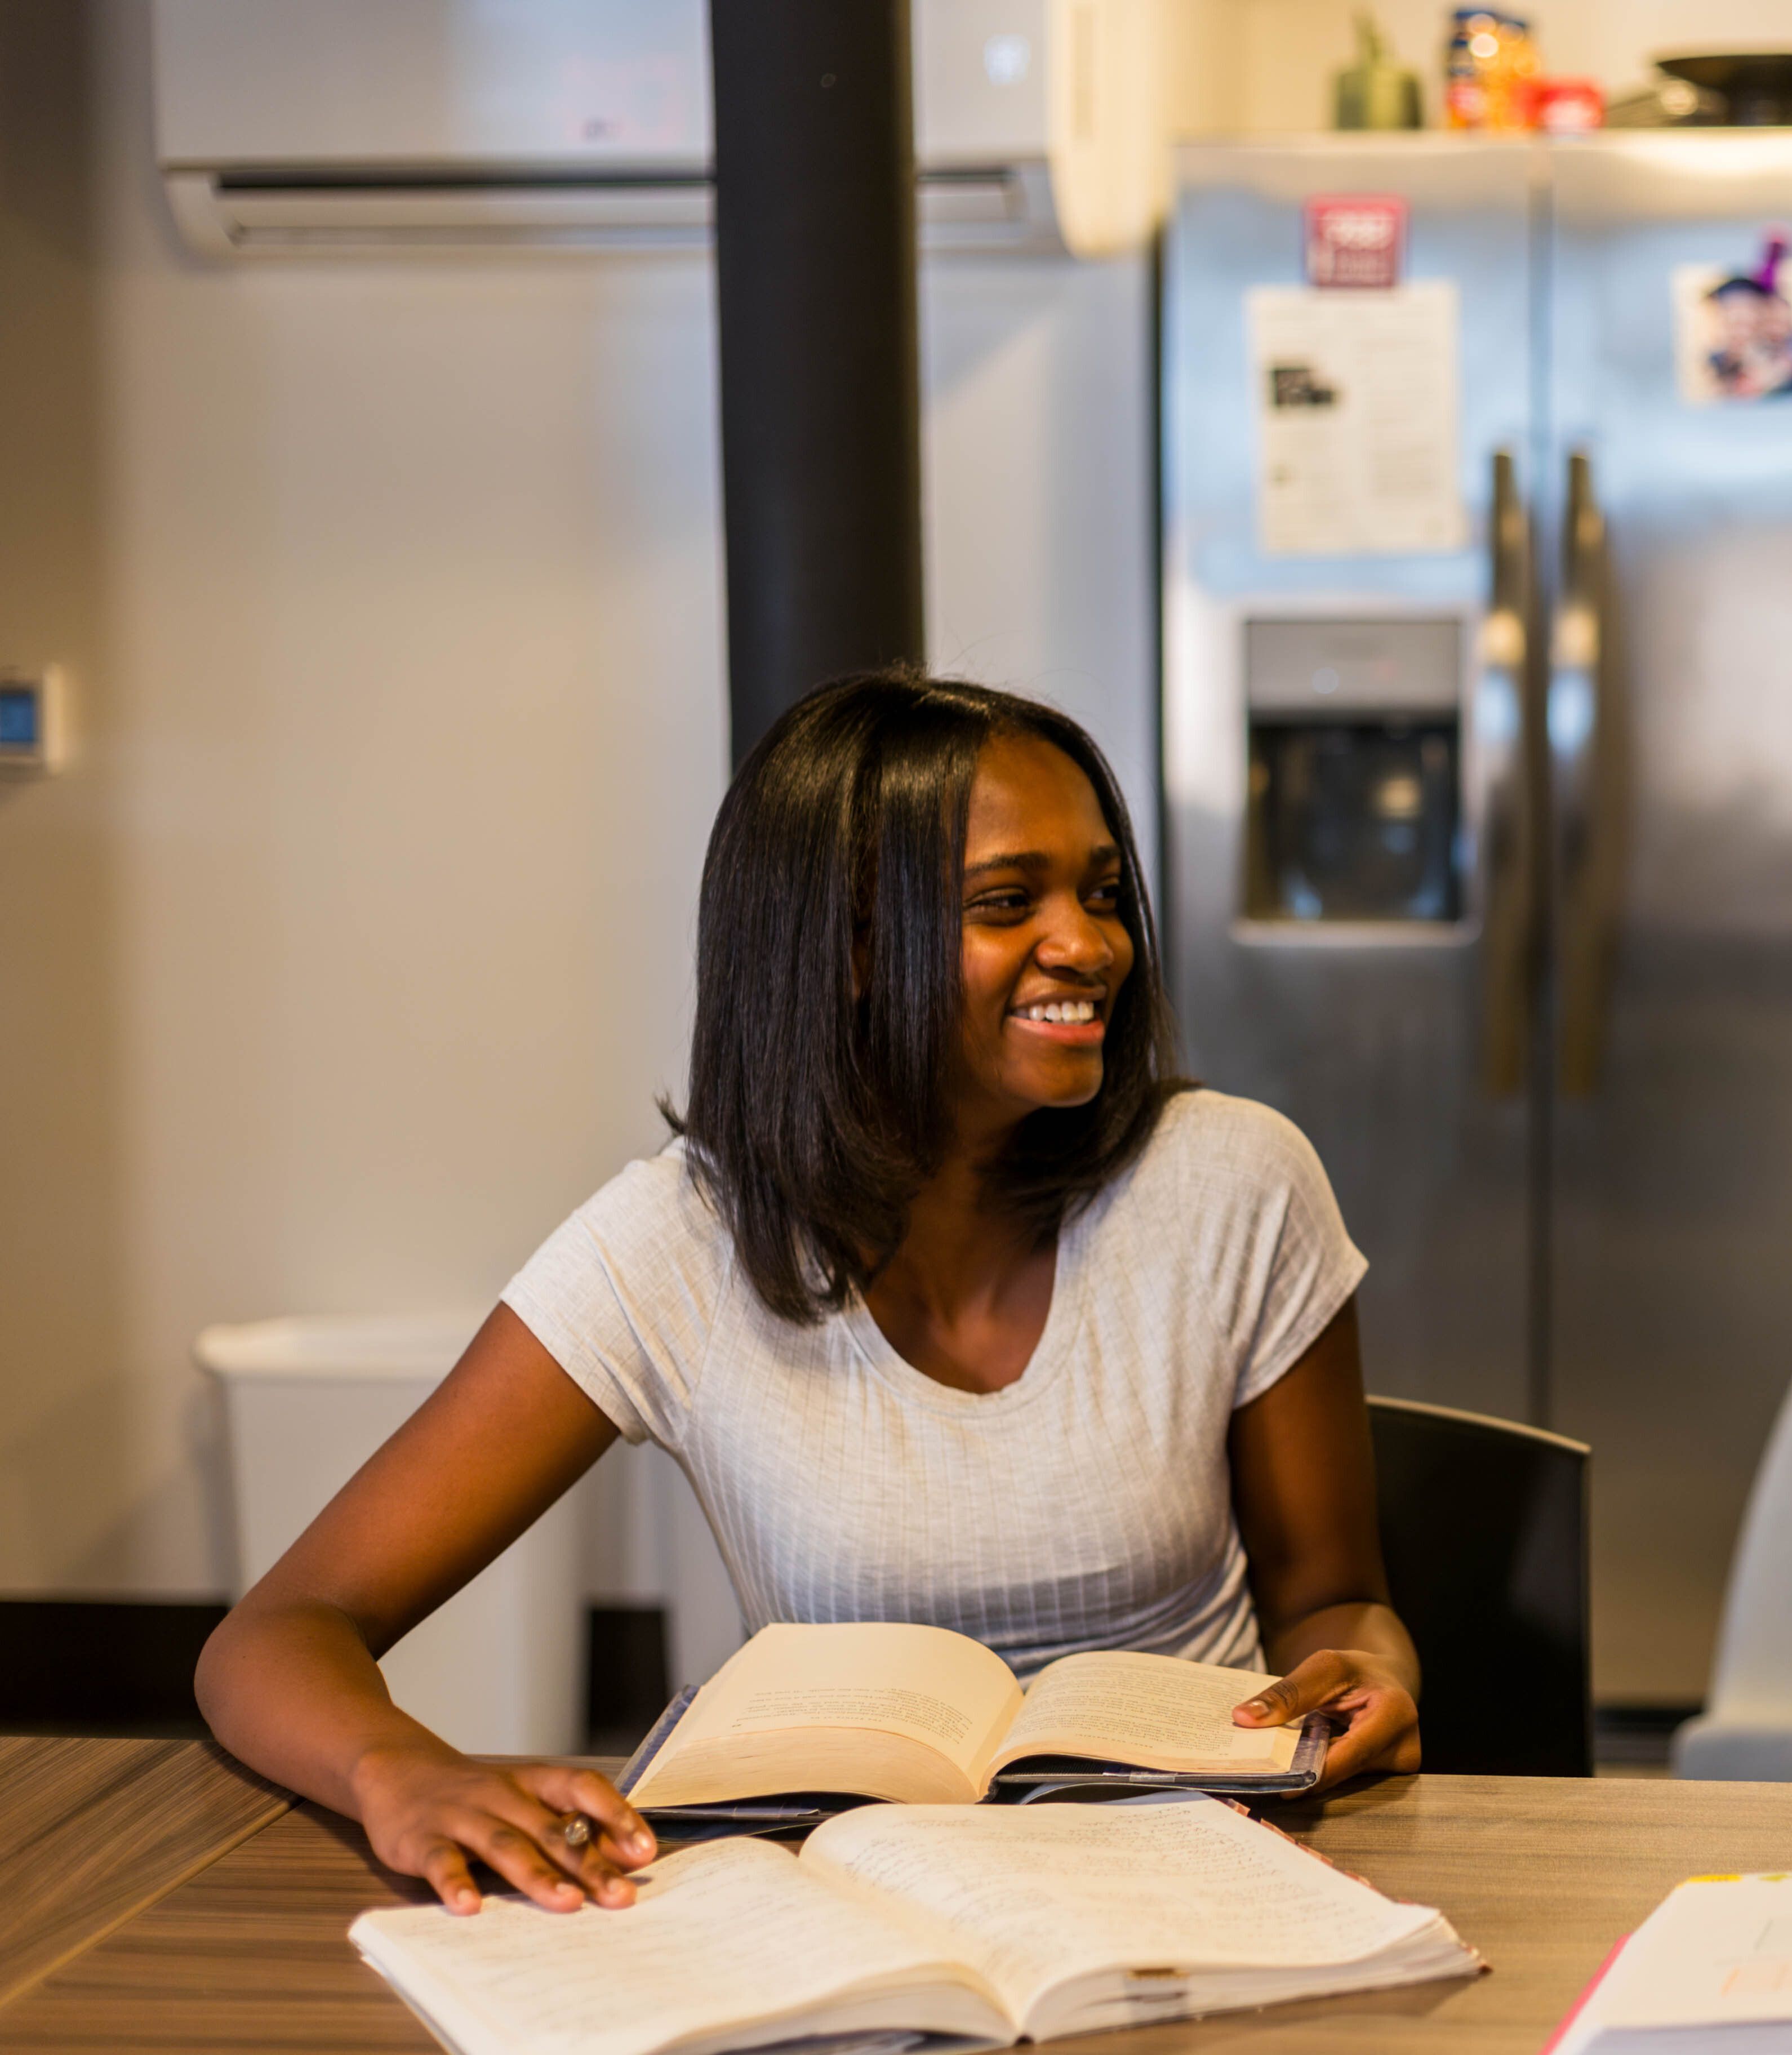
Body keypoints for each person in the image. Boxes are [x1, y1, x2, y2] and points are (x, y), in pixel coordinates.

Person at [197, 673, 1420, 1915]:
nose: (1092, 945)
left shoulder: (1233, 1180)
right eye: (1010, 903)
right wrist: (401, 1772)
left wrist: (1369, 1671)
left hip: (1202, 1881)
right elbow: (279, 1632)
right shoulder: (677, 1241)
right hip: (855, 1905)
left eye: (1102, 894)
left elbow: (1337, 1599)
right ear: (840, 952)